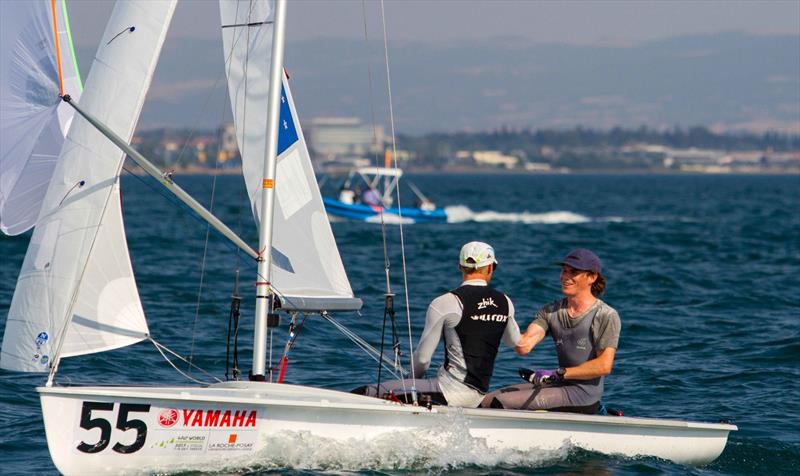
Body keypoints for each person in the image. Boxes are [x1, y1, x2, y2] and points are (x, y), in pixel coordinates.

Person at [352, 241, 520, 407]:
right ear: (490, 267)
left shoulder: (445, 302)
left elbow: (423, 360)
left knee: (368, 392)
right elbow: (514, 341)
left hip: (450, 392)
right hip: (478, 394)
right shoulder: (506, 302)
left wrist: (411, 385)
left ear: (460, 267)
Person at [481, 248, 620, 414]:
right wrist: (501, 314)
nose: (565, 277)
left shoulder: (605, 315)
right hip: (558, 385)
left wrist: (559, 374)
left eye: (573, 272)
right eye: (564, 271)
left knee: (500, 402)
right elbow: (523, 346)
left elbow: (604, 366)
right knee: (485, 401)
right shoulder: (551, 311)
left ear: (592, 277)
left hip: (583, 395)